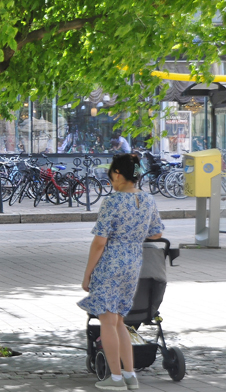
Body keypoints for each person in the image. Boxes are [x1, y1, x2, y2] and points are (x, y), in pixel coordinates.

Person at [78, 153, 164, 390]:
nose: (111, 183)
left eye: (111, 178)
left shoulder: (113, 201)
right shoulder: (148, 199)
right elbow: (156, 233)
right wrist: (133, 235)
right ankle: (129, 375)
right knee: (119, 322)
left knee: (107, 320)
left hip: (111, 262)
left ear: (118, 174)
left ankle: (114, 378)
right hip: (134, 262)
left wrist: (87, 273)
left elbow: (99, 242)